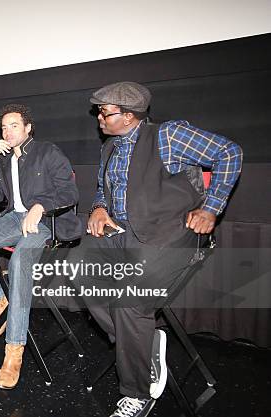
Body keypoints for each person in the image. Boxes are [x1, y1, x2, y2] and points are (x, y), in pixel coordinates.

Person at [65, 81, 242, 417]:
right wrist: (100, 207)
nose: (99, 119)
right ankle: (143, 343)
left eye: (105, 113)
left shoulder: (168, 136)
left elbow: (229, 152)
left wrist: (211, 208)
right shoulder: (110, 147)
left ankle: (137, 392)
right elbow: (105, 189)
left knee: (130, 299)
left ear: (129, 116)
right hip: (123, 231)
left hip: (171, 234)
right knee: (76, 266)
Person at [0, 103, 81, 389]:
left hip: (46, 222)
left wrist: (41, 206)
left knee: (18, 263)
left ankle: (14, 350)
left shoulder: (47, 151)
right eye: (4, 127)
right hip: (15, 218)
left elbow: (70, 192)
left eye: (14, 125)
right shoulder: (3, 160)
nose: (8, 131)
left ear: (28, 127)